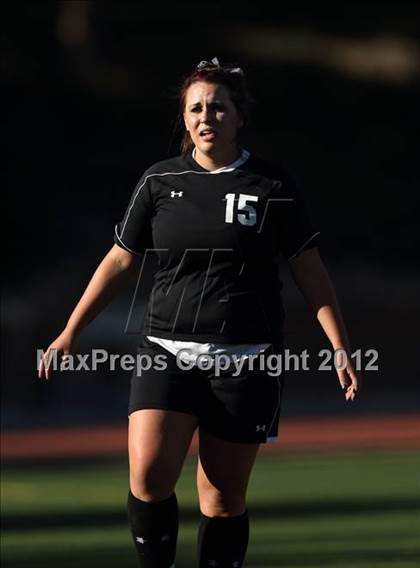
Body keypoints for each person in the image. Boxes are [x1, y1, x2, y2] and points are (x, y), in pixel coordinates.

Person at [38, 57, 361, 568]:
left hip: (247, 359)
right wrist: (69, 331)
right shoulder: (158, 182)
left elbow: (311, 272)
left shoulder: (272, 185)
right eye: (195, 108)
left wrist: (339, 347)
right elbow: (120, 259)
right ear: (184, 119)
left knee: (222, 499)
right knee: (147, 478)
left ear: (238, 116)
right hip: (165, 348)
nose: (205, 116)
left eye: (217, 107)